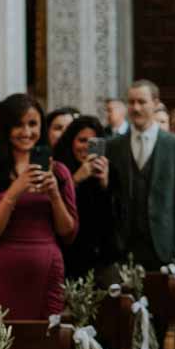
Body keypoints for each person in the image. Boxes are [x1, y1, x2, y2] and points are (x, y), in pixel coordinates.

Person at [0, 93, 78, 317]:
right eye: (18, 125)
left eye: (33, 124)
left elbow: (68, 232)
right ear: (6, 128)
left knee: (45, 344)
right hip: (0, 272)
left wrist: (54, 195)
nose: (27, 132)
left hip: (46, 269)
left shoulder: (59, 171)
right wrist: (13, 192)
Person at [105, 79, 175, 271]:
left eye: (142, 102)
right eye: (131, 102)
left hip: (163, 249)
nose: (135, 108)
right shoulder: (113, 147)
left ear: (155, 104)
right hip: (124, 249)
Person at [53, 114, 116, 279]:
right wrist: (75, 179)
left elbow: (116, 216)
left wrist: (105, 184)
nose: (87, 147)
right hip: (68, 254)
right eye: (82, 140)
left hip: (100, 257)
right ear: (71, 141)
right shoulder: (59, 169)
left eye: (93, 142)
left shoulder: (111, 169)